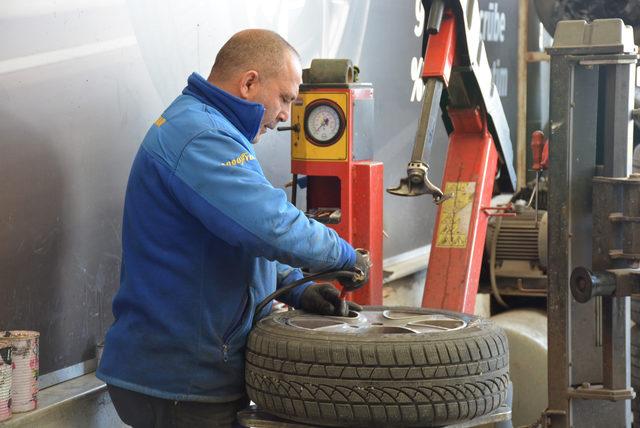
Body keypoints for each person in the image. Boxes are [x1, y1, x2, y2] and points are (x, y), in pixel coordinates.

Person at [96, 29, 370, 428]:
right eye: (285, 99)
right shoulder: (202, 136)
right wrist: (344, 255)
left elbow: (234, 241)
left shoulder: (210, 129)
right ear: (249, 83)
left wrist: (300, 288)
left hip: (185, 374)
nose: (284, 116)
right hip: (178, 382)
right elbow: (269, 225)